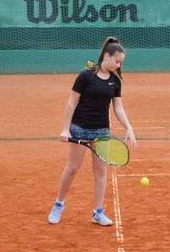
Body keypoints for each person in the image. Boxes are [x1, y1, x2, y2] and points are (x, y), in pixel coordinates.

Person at [48, 37, 137, 226]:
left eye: (121, 62)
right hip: (79, 128)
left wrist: (129, 127)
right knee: (72, 169)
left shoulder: (115, 81)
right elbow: (71, 103)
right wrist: (66, 129)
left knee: (100, 171)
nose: (119, 65)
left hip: (102, 130)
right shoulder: (85, 76)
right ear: (107, 56)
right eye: (117, 61)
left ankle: (97, 212)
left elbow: (118, 108)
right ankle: (58, 205)